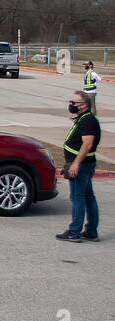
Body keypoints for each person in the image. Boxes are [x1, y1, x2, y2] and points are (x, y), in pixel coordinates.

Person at [56, 91, 100, 242]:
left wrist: (75, 164)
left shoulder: (87, 121)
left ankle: (74, 232)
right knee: (88, 197)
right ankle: (91, 231)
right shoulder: (84, 118)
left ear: (84, 105)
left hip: (81, 166)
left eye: (73, 103)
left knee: (78, 198)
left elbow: (87, 144)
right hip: (85, 164)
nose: (71, 105)